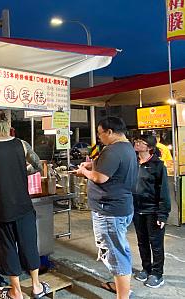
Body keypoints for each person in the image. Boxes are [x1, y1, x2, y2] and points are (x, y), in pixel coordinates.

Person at [0, 111, 50, 299]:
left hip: (2, 208)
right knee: (29, 244)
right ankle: (36, 286)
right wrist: (19, 172)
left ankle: (16, 291)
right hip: (24, 205)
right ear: (8, 125)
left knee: (8, 247)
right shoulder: (22, 144)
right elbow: (37, 166)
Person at [76, 117, 138, 299]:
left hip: (109, 211)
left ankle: (123, 295)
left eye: (100, 133)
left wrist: (84, 171)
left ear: (110, 132)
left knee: (116, 254)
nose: (99, 137)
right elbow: (110, 171)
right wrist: (92, 164)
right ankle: (121, 287)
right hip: (120, 207)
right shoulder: (127, 148)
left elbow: (99, 178)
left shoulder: (113, 150)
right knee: (119, 249)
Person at [132, 134, 170, 288]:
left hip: (153, 211)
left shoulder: (158, 166)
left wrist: (162, 214)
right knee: (142, 242)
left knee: (156, 244)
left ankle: (157, 274)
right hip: (137, 210)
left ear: (149, 147)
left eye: (140, 142)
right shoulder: (133, 163)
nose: (136, 143)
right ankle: (146, 269)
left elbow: (164, 192)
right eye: (136, 141)